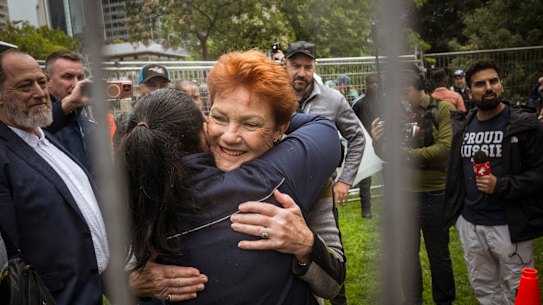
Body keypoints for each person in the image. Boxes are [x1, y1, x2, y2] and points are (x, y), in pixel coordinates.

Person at [126, 50, 345, 304]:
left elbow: (333, 284)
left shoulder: (310, 174)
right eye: (219, 118)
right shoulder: (164, 177)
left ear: (281, 127)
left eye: (250, 124)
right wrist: (134, 278)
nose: (229, 136)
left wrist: (306, 245)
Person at [0, 50, 108, 305]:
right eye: (25, 86)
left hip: (92, 290)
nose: (39, 93)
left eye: (40, 82)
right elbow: (10, 255)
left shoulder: (42, 136)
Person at [443, 60, 543, 305]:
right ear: (469, 92)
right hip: (471, 225)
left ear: (501, 85)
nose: (488, 87)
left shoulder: (525, 126)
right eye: (480, 84)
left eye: (493, 81)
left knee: (519, 291)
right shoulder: (463, 127)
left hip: (510, 226)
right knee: (485, 290)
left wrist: (502, 185)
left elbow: (540, 174)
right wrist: (458, 218)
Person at [371, 70, 456, 305]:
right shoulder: (399, 115)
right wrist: (378, 142)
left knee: (438, 255)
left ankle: (445, 300)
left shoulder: (443, 110)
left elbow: (445, 148)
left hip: (434, 193)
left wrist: (407, 154)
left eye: (404, 91)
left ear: (420, 87)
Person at [283, 40, 365, 206]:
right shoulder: (270, 98)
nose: (301, 72)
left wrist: (345, 180)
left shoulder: (333, 99)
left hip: (322, 195)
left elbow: (357, 138)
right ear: (284, 64)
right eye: (296, 66)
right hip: (280, 191)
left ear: (315, 67)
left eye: (308, 67)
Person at [44, 50, 96, 172]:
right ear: (47, 81)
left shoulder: (87, 122)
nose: (77, 84)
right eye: (68, 77)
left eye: (80, 77)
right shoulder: (34, 123)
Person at [351, 73, 380, 218]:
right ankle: (366, 210)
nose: (374, 85)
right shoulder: (358, 103)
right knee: (365, 178)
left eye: (377, 83)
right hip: (366, 145)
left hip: (383, 144)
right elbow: (351, 123)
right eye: (371, 83)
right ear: (366, 84)